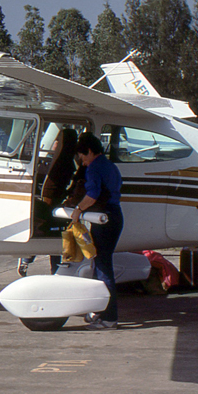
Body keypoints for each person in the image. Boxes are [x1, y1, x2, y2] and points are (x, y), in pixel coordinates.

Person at [72, 131, 123, 330]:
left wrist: (78, 210)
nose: (83, 162)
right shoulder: (111, 166)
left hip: (104, 219)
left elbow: (92, 195)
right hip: (116, 216)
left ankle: (109, 318)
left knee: (103, 268)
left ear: (90, 151)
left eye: (83, 157)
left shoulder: (94, 168)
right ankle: (98, 311)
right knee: (101, 263)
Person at [17, 128, 79, 276]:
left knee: (42, 230)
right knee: (55, 238)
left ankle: (26, 259)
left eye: (57, 141)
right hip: (57, 206)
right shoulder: (70, 163)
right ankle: (54, 269)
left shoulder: (53, 163)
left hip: (48, 206)